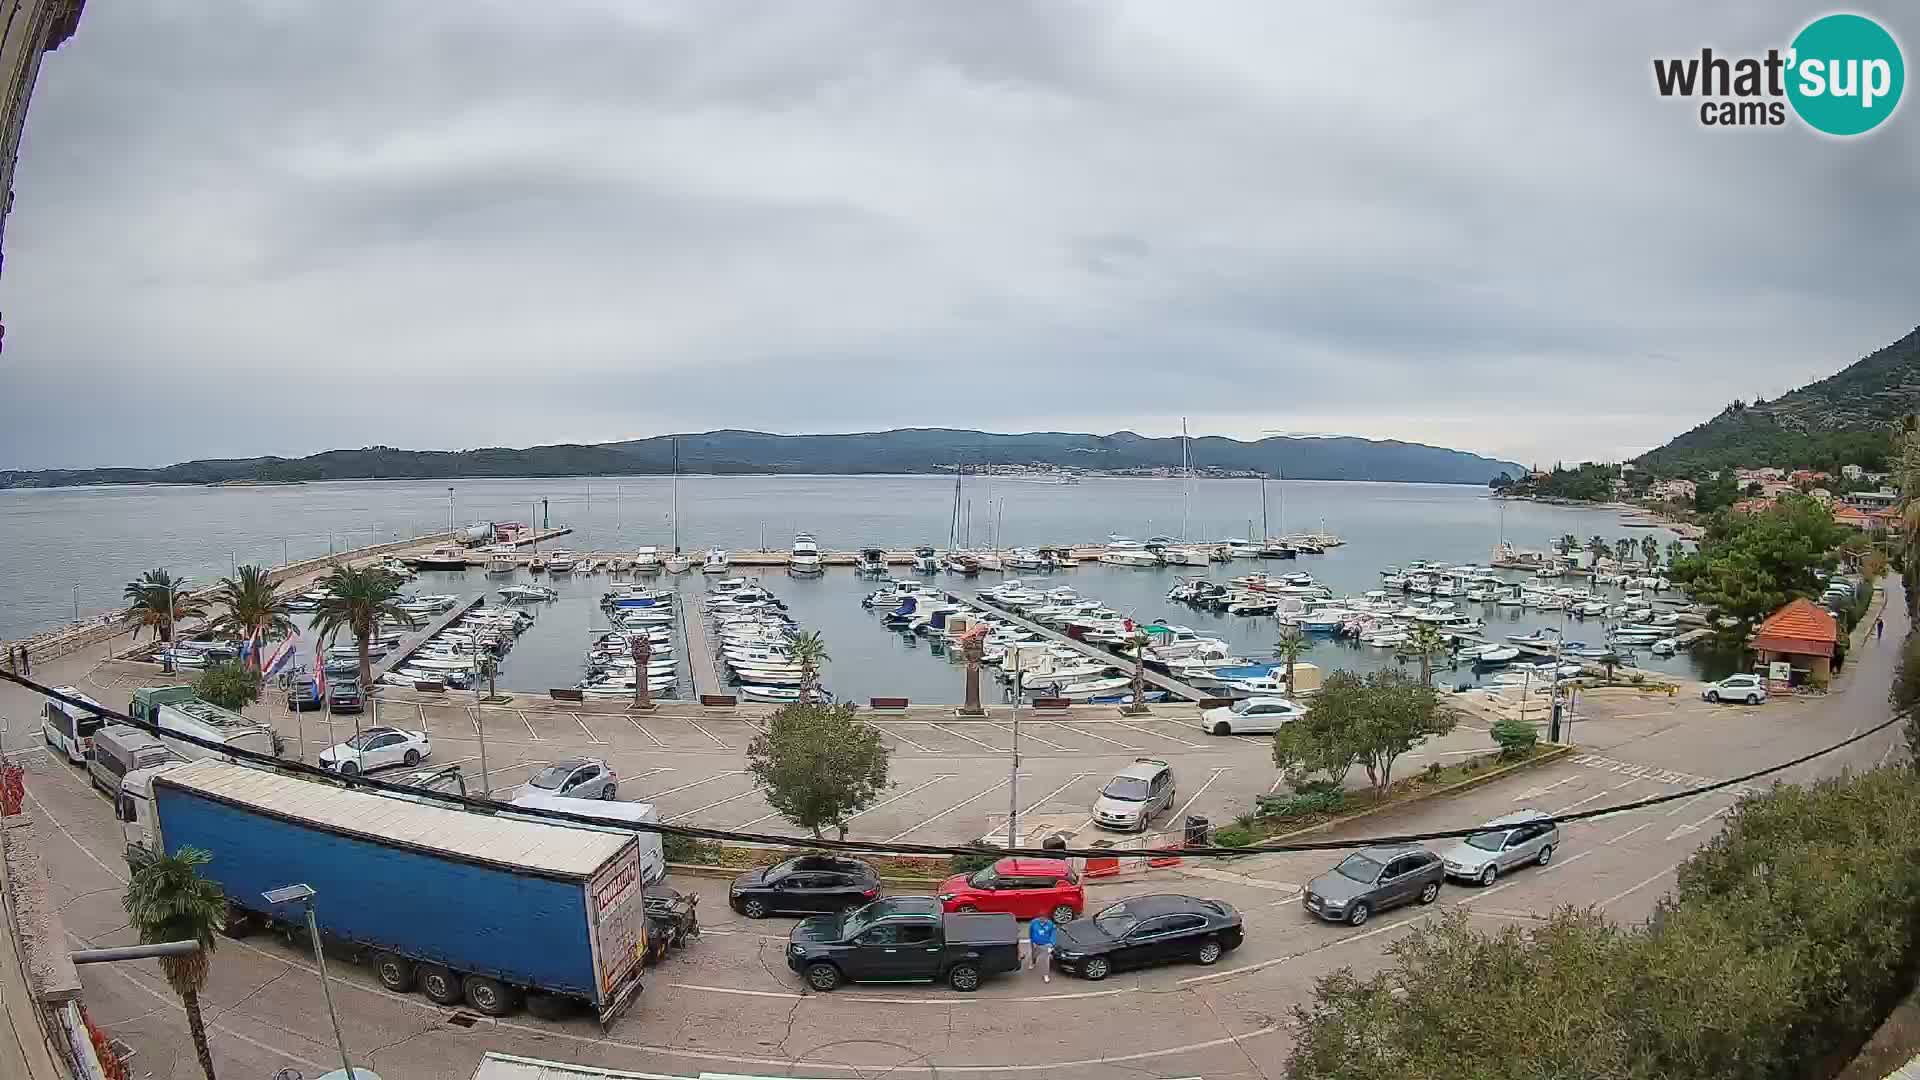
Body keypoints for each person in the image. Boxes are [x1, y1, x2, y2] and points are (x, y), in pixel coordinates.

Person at [1027, 914, 1056, 982]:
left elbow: (1053, 934)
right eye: (1041, 918)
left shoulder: (1050, 924)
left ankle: (1046, 975)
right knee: (1034, 955)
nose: (1043, 920)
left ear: (1047, 918)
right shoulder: (1034, 922)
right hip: (1035, 944)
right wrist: (1032, 941)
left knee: (1045, 960)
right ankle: (1033, 962)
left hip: (1046, 945)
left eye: (1045, 919)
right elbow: (1031, 932)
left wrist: (1051, 944)